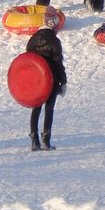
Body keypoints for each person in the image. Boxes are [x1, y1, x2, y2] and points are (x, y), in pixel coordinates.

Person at [26, 8, 67, 150]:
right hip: (52, 80)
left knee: (36, 108)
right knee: (49, 109)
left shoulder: (32, 40)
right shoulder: (55, 41)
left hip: (37, 81)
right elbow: (58, 63)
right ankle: (46, 140)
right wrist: (63, 82)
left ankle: (34, 139)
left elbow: (28, 61)